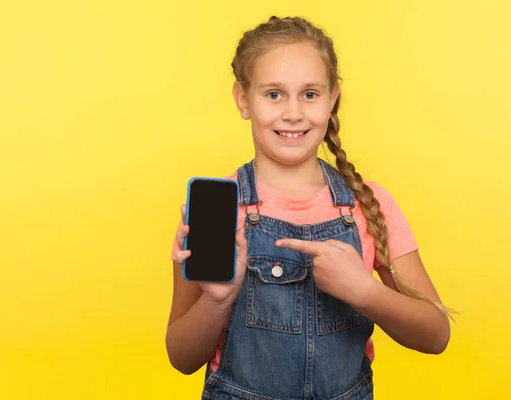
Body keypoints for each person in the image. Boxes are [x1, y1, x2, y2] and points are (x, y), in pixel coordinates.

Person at [166, 15, 455, 400]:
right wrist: (217, 301)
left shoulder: (369, 206)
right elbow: (181, 357)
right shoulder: (216, 210)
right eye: (274, 94)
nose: (293, 113)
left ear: (332, 97)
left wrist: (364, 291)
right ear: (242, 99)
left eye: (310, 94)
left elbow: (436, 335)